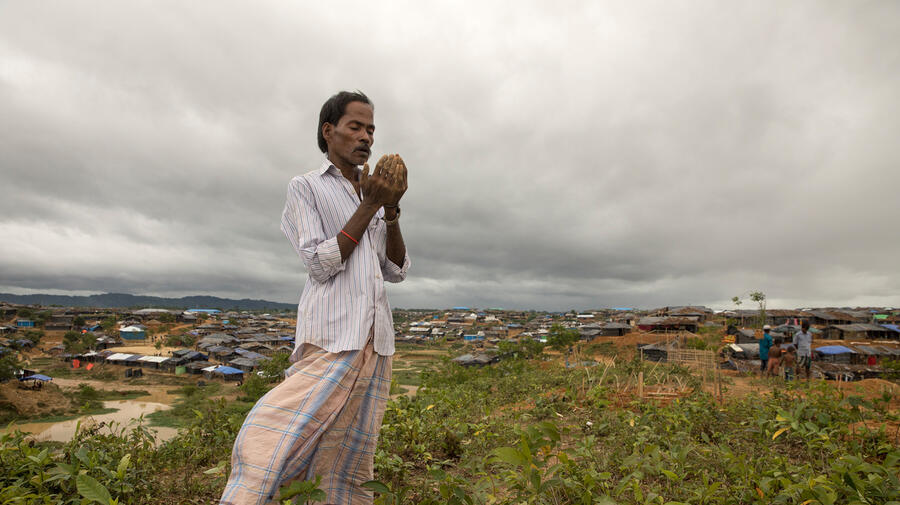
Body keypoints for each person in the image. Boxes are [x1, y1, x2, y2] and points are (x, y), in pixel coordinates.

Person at [220, 91, 410, 505]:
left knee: (349, 458)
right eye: (355, 127)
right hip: (330, 334)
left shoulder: (373, 194)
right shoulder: (306, 187)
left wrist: (390, 210)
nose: (366, 138)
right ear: (329, 131)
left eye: (371, 129)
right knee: (271, 434)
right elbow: (320, 263)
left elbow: (394, 269)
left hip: (374, 343)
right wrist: (372, 204)